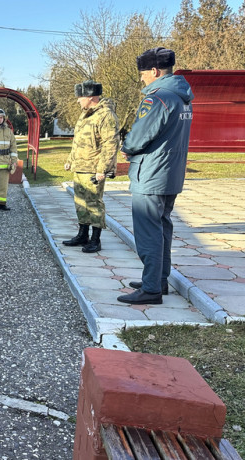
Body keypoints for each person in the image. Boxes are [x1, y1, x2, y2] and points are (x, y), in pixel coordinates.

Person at [117, 47, 193, 305]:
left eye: (143, 74)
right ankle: (159, 279)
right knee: (163, 228)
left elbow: (139, 136)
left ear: (154, 71)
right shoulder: (182, 97)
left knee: (148, 231)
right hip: (171, 174)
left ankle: (151, 289)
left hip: (151, 173)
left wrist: (126, 148)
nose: (141, 79)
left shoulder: (157, 98)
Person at [62, 81, 119, 253]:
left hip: (94, 169)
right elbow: (78, 141)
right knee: (80, 203)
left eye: (80, 97)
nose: (78, 100)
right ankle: (82, 234)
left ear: (91, 97)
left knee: (93, 203)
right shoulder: (85, 115)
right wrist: (70, 159)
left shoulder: (105, 115)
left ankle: (95, 239)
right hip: (80, 167)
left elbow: (110, 145)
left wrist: (102, 169)